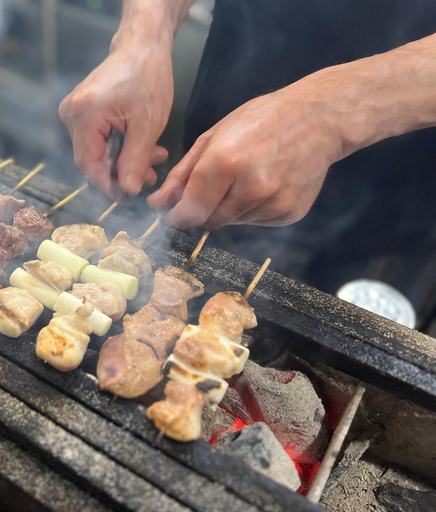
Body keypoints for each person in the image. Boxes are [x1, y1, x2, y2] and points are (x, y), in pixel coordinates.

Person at [58, 0, 436, 304]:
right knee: (194, 261)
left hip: (391, 179)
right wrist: (143, 36)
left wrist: (332, 112)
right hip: (228, 135)